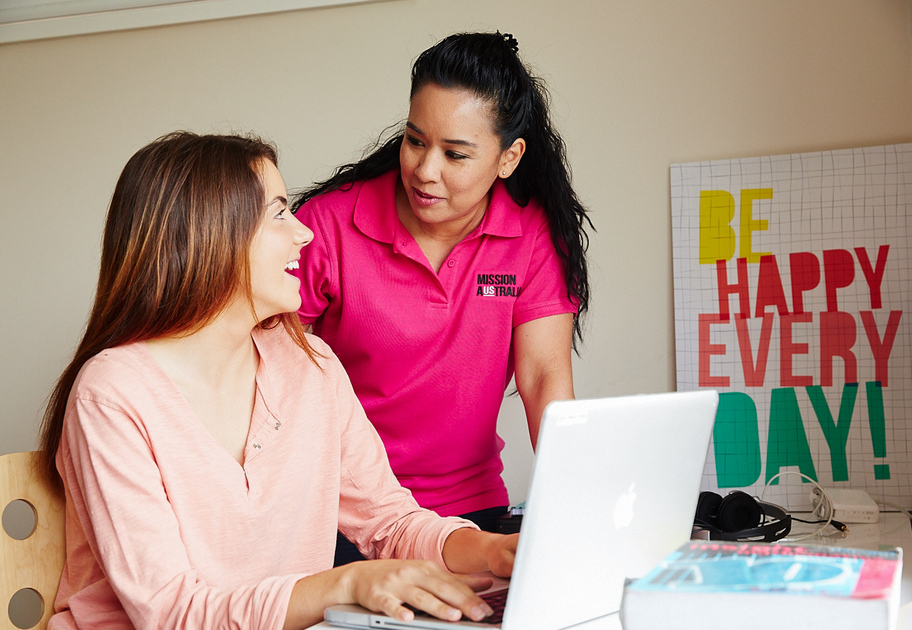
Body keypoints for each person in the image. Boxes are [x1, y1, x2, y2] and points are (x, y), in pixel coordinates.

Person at [38, 131, 517, 630]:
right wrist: (345, 583)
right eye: (279, 213)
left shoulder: (310, 365)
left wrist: (493, 550)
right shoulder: (112, 394)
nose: (304, 234)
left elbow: (390, 524)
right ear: (209, 235)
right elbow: (170, 614)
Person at [292, 31, 592, 564]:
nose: (425, 171)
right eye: (414, 141)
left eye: (455, 154)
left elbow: (544, 378)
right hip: (342, 515)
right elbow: (269, 380)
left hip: (467, 514)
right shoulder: (327, 226)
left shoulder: (532, 238)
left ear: (508, 157)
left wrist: (579, 505)